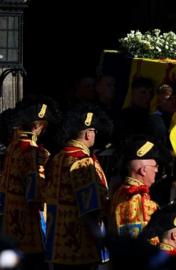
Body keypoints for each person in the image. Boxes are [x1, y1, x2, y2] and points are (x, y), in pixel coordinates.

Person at [43, 103, 112, 269]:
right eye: (94, 131)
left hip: (57, 244)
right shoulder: (83, 161)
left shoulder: (58, 157)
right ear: (88, 134)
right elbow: (90, 207)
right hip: (80, 245)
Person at [0, 96, 60, 270]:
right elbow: (35, 193)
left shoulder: (13, 146)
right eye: (43, 126)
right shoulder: (33, 152)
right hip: (29, 227)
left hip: (12, 221)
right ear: (37, 126)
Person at [110, 136, 170, 243]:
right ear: (143, 170)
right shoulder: (137, 198)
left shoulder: (120, 191)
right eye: (155, 166)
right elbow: (143, 246)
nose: (157, 170)